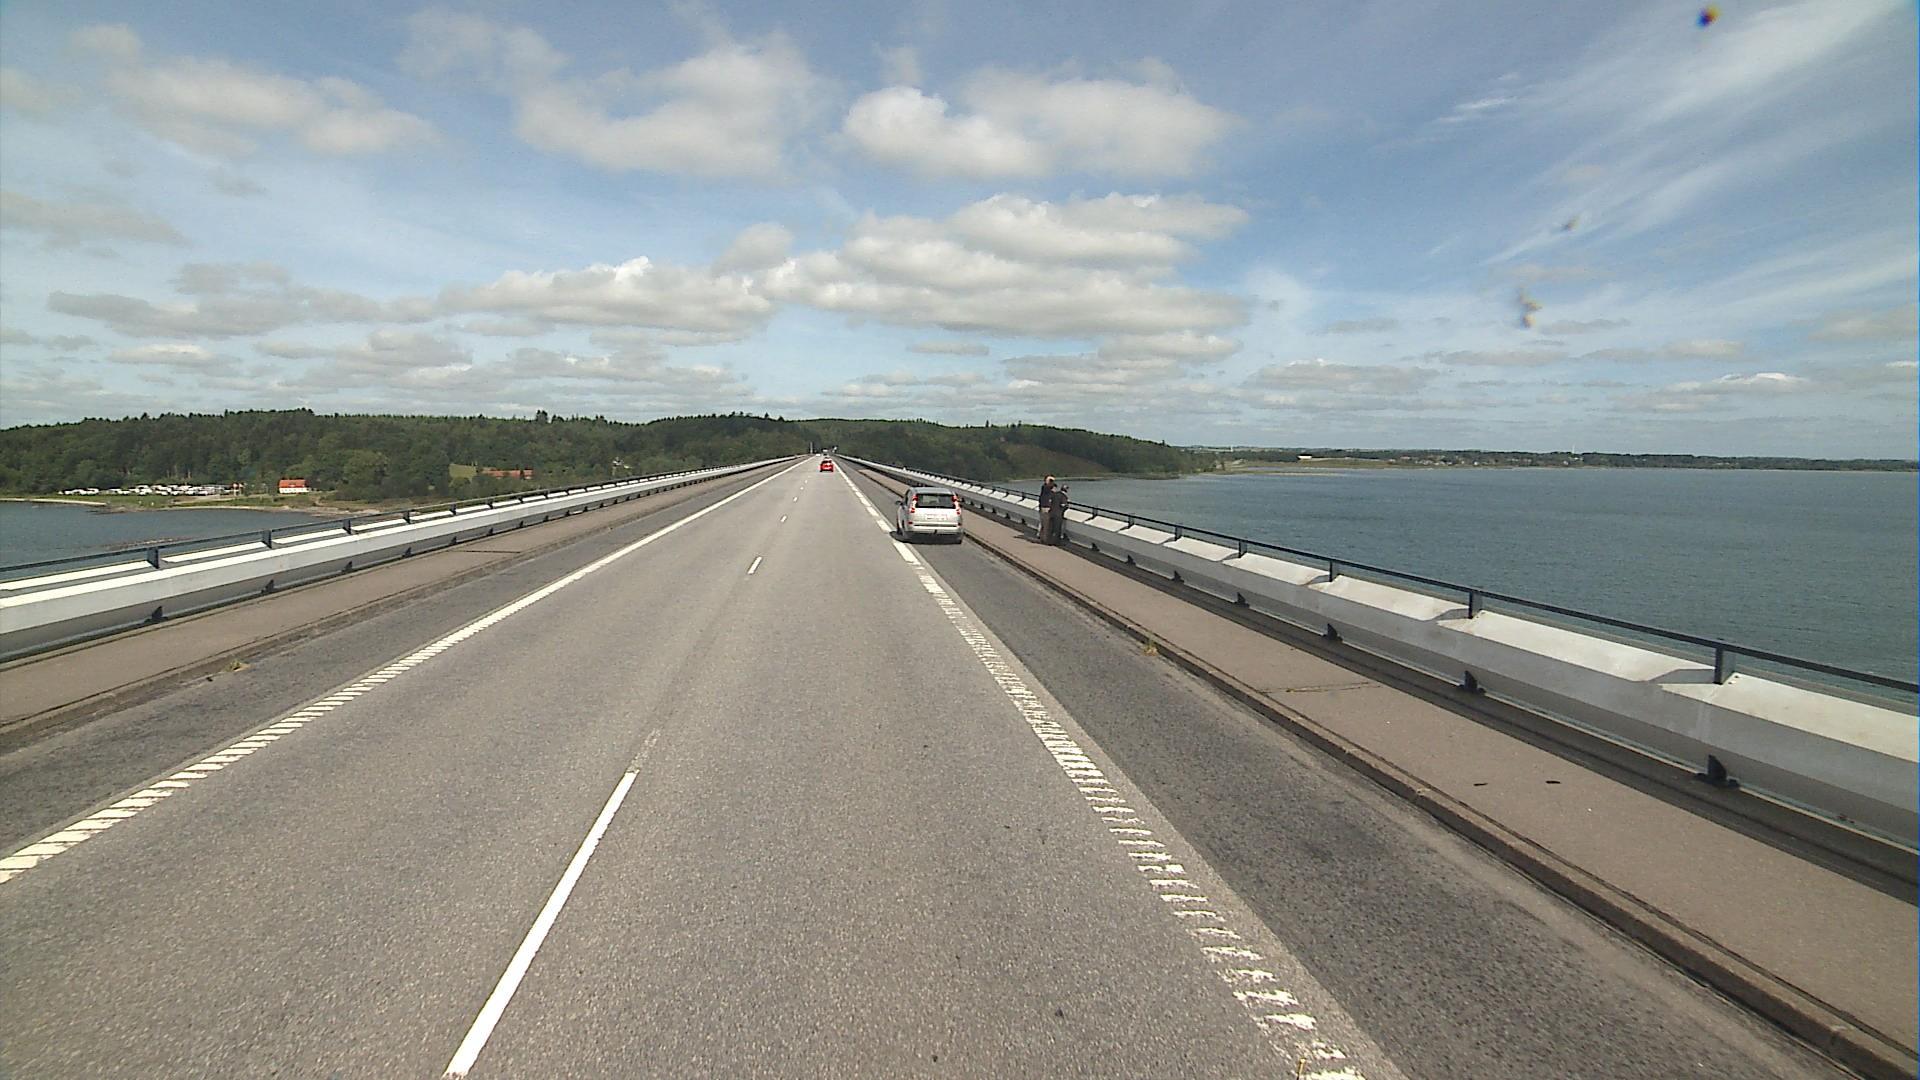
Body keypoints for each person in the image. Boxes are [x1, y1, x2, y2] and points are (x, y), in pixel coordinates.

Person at [1037, 475, 1058, 542]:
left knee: (1043, 524)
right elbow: (1048, 486)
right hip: (1046, 508)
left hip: (1044, 507)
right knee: (1046, 525)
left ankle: (1042, 538)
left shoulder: (1047, 490)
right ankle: (1045, 539)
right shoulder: (1045, 488)